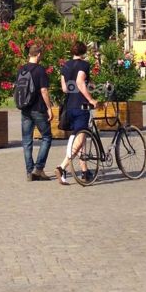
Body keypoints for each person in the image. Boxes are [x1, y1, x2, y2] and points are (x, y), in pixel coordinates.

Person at [57, 41, 98, 186]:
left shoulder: (65, 66)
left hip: (69, 106)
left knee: (81, 137)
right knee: (80, 140)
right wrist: (91, 99)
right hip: (81, 107)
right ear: (83, 51)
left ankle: (85, 170)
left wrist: (87, 85)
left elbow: (64, 88)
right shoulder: (84, 65)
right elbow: (80, 82)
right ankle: (62, 167)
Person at [15, 41, 54, 181]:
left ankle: (29, 171)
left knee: (26, 141)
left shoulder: (22, 69)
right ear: (38, 54)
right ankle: (39, 169)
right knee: (47, 137)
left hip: (25, 109)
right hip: (38, 109)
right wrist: (49, 108)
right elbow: (43, 90)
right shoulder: (39, 70)